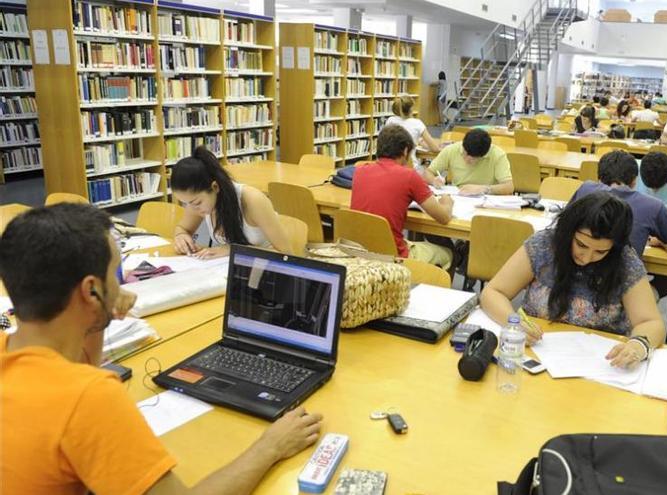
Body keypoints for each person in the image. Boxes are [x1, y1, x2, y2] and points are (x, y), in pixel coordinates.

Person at [0, 203, 323, 494]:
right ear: (90, 290)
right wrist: (269, 447)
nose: (121, 286)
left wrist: (97, 310)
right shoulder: (88, 399)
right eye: (116, 275)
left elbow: (66, 369)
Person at [479, 192, 665, 368]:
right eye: (581, 245)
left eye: (600, 251)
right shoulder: (544, 246)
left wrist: (638, 345)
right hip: (536, 354)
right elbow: (493, 292)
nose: (586, 257)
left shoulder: (625, 262)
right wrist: (513, 323)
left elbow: (651, 322)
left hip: (602, 363)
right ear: (569, 231)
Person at [571, 150, 667, 266]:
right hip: (619, 287)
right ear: (635, 181)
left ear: (598, 178)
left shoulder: (585, 188)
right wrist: (663, 243)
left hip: (572, 279)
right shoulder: (653, 206)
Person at [352, 125, 454, 268]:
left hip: (360, 251)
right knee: (448, 252)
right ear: (406, 150)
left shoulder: (360, 171)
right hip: (393, 256)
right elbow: (443, 217)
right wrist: (447, 201)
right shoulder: (409, 176)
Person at [171, 147, 292, 259]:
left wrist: (233, 250)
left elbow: (286, 255)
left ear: (215, 187)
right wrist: (180, 236)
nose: (192, 209)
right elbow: (182, 228)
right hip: (230, 268)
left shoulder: (252, 200)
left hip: (266, 270)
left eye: (196, 203)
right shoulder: (197, 203)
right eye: (186, 203)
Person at [422, 128, 514, 196]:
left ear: (483, 155)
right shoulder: (452, 149)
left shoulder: (497, 155)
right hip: (458, 197)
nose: (466, 160)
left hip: (486, 199)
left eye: (473, 158)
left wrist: (483, 189)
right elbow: (428, 173)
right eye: (464, 154)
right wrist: (434, 180)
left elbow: (509, 187)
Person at [386, 95, 440, 165]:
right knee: (427, 167)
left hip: (390, 164)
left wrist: (418, 141)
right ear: (410, 110)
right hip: (409, 165)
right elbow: (435, 148)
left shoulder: (390, 121)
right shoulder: (417, 123)